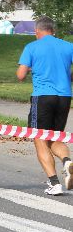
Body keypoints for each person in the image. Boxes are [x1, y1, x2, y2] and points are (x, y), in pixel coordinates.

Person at [16, 16, 73, 195]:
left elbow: (20, 75)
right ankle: (67, 162)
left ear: (37, 31)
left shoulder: (32, 47)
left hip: (42, 97)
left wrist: (32, 68)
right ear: (53, 30)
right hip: (64, 96)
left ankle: (54, 183)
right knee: (55, 137)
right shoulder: (68, 46)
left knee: (40, 139)